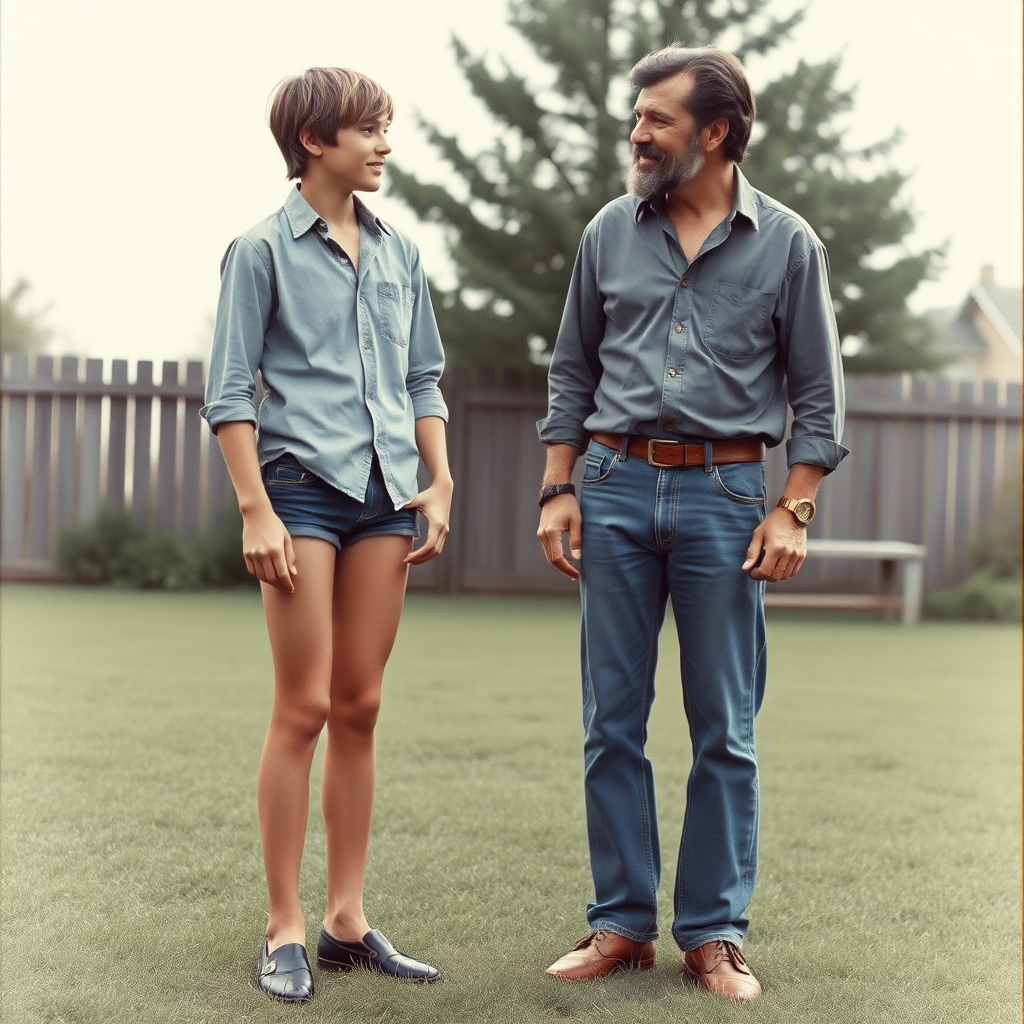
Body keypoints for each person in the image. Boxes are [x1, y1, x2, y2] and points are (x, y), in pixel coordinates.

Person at [536, 45, 848, 1001]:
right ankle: (621, 926)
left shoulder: (789, 244)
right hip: (614, 487)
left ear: (715, 133)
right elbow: (571, 371)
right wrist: (558, 486)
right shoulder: (608, 231)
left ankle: (712, 933)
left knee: (726, 726)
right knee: (609, 723)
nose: (636, 133)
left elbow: (818, 398)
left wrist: (793, 508)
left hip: (724, 498)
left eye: (657, 119)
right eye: (637, 116)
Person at [201, 67, 452, 1003]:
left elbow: (423, 377)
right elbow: (229, 396)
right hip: (299, 494)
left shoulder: (400, 253)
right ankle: (285, 926)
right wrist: (254, 510)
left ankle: (347, 919)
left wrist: (440, 479)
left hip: (388, 497)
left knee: (361, 705)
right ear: (315, 141)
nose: (384, 145)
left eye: (385, 129)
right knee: (301, 706)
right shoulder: (260, 251)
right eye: (369, 130)